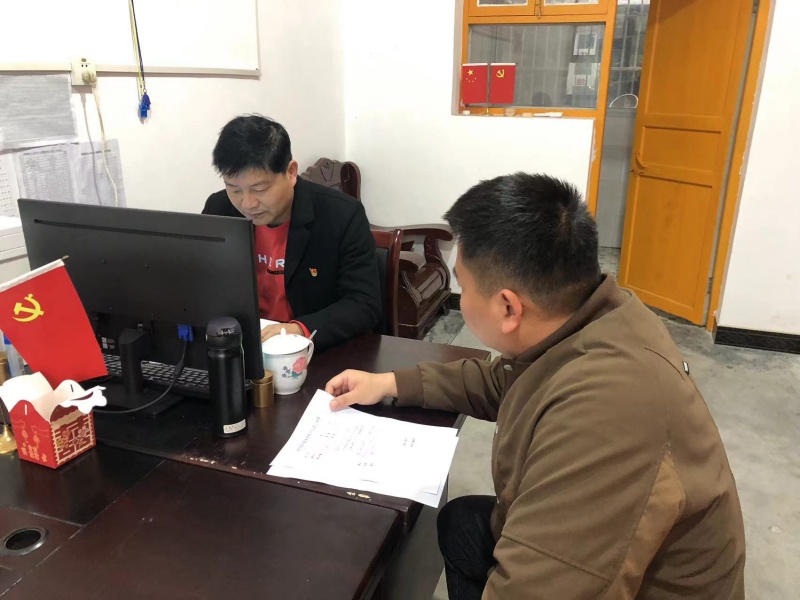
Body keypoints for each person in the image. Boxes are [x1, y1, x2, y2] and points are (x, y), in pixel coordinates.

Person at [325, 173, 745, 599]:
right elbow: (503, 380)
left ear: (509, 307)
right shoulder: (591, 317)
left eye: (463, 286)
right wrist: (391, 382)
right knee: (462, 525)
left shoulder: (606, 412)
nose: (461, 299)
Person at [203, 115, 381, 351]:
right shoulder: (219, 209)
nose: (247, 204)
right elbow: (203, 283)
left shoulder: (341, 214)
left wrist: (297, 330)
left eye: (260, 189)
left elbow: (364, 303)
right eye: (234, 189)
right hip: (243, 345)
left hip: (316, 349)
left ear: (291, 172)